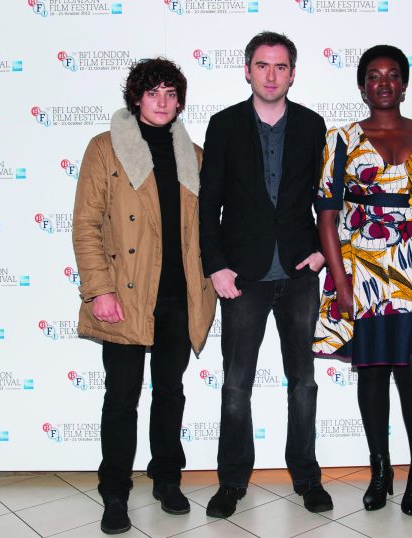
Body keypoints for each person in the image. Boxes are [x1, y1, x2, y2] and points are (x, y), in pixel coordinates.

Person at [72, 58, 216, 535]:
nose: (162, 101)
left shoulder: (193, 156)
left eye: (171, 93)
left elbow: (205, 229)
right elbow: (86, 227)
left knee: (170, 393)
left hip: (179, 295)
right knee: (121, 397)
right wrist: (99, 291)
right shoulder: (105, 150)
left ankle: (167, 478)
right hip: (127, 295)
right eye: (153, 92)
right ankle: (114, 490)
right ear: (136, 98)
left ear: (180, 101)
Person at [313, 45, 412, 516]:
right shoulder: (342, 139)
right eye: (374, 75)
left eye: (393, 74)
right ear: (362, 85)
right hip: (363, 270)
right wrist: (342, 283)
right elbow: (327, 217)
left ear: (405, 83)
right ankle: (379, 469)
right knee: (371, 375)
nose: (384, 82)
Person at [198, 31, 333, 518]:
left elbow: (328, 201)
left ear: (292, 73)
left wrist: (321, 251)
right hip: (243, 277)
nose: (271, 75)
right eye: (262, 65)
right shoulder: (224, 125)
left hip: (299, 272)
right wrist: (216, 266)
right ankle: (231, 481)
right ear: (248, 70)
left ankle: (306, 477)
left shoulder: (315, 126)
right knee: (236, 383)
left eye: (280, 67)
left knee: (304, 381)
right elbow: (207, 203)